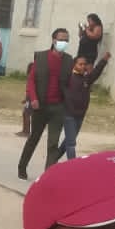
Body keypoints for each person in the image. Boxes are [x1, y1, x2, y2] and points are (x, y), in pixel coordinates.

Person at [17, 28, 73, 179]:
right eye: (61, 39)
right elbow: (31, 80)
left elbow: (70, 83)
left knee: (53, 143)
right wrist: (33, 98)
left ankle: (48, 175)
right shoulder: (41, 57)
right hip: (40, 105)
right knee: (34, 138)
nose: (63, 42)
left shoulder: (69, 61)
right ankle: (22, 166)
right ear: (54, 40)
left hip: (58, 107)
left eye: (66, 40)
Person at [55, 50, 111, 161]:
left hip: (80, 116)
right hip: (69, 115)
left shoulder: (86, 79)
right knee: (71, 144)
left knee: (68, 141)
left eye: (84, 64)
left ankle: (53, 159)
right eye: (80, 64)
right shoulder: (69, 78)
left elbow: (96, 72)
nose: (83, 66)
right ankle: (73, 166)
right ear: (74, 65)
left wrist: (104, 61)